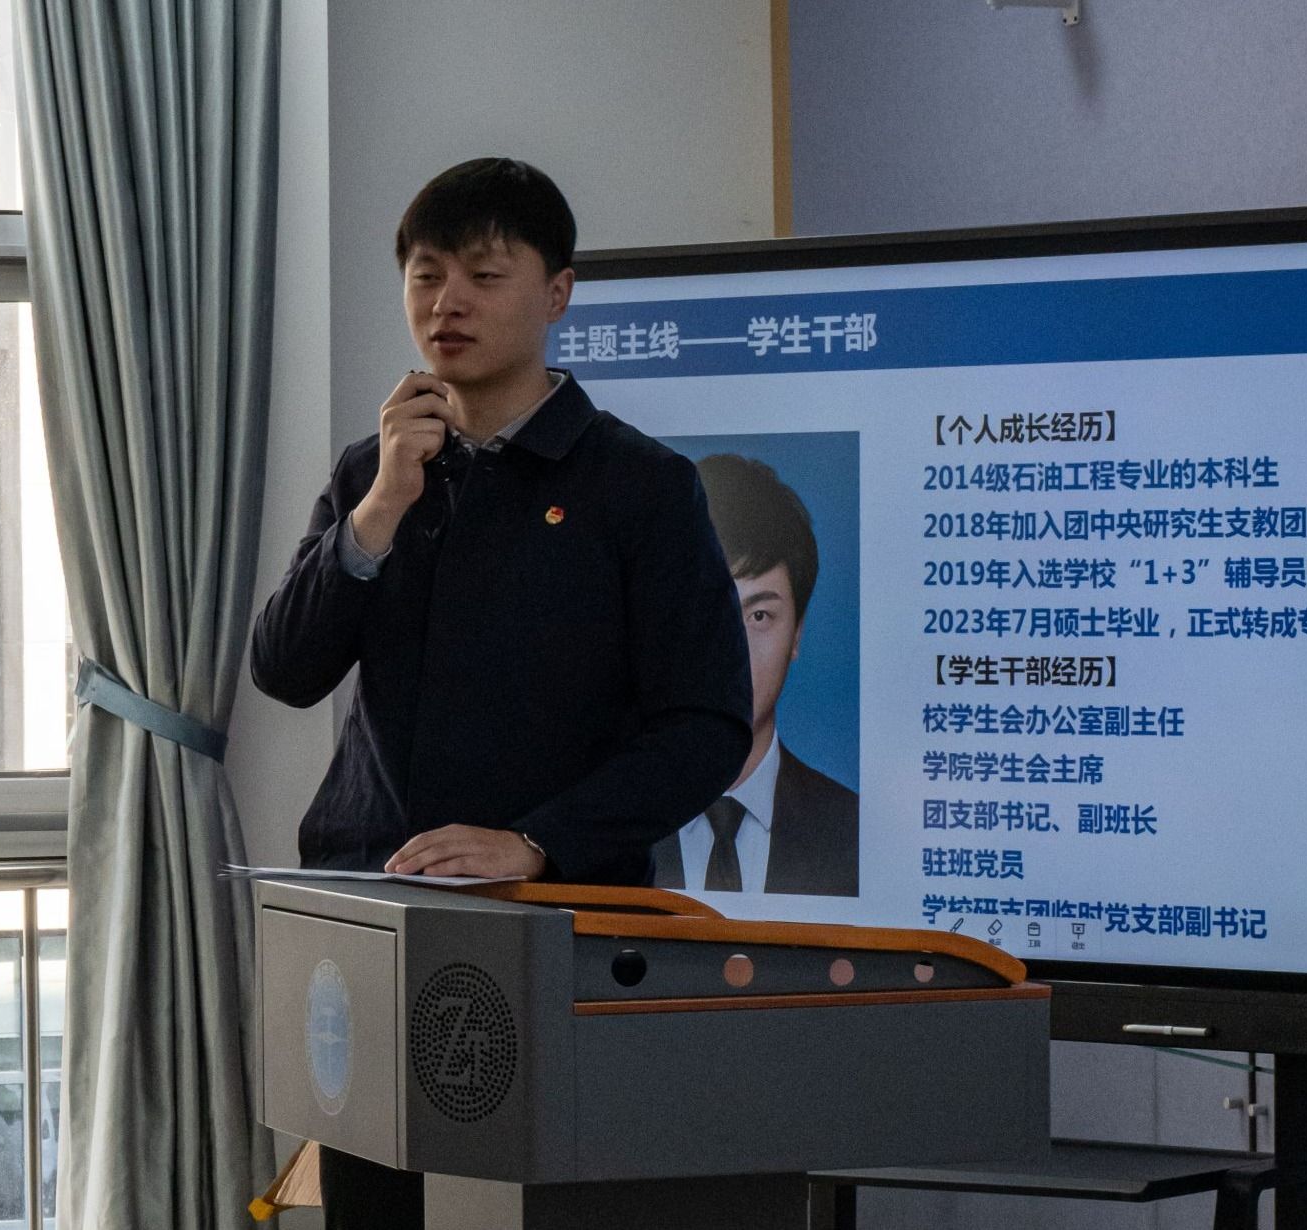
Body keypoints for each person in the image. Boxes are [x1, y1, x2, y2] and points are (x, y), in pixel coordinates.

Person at [249, 158, 752, 1229]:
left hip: (556, 927)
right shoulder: (372, 473)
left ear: (557, 293)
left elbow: (706, 726)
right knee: (372, 1206)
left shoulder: (639, 485)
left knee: (545, 1207)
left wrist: (535, 843)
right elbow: (283, 670)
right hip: (373, 916)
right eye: (426, 275)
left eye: (483, 275)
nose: (448, 302)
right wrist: (380, 509)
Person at [652, 453, 861, 896]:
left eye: (759, 615)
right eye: (705, 609)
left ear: (797, 634)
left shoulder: (853, 831)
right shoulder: (589, 820)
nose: (732, 649)